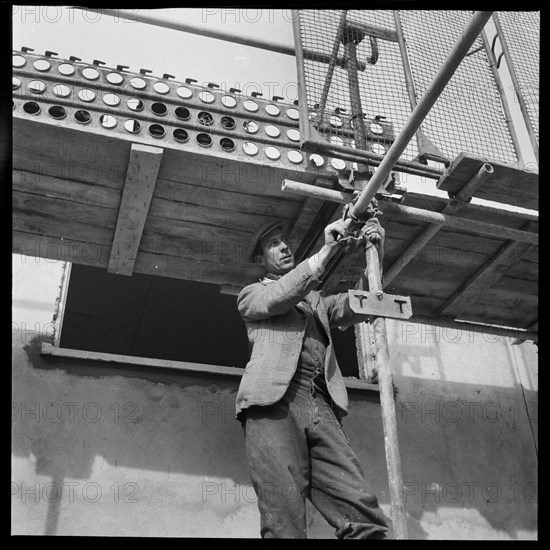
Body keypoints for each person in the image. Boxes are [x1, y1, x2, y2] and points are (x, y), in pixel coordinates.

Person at [236, 215, 392, 539]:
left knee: (363, 513)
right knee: (285, 522)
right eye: (273, 245)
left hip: (321, 403)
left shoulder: (317, 300)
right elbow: (280, 296)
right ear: (259, 259)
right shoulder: (251, 296)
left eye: (285, 242)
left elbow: (360, 304)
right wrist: (325, 252)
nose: (284, 247)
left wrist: (373, 254)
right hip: (274, 402)